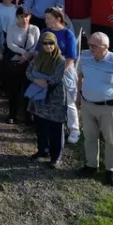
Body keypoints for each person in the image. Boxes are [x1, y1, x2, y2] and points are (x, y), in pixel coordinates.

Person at [76, 31, 113, 186]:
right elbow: (79, 76)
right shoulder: (85, 57)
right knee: (89, 137)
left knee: (110, 140)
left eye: (94, 46)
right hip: (87, 104)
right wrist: (79, 96)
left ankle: (110, 171)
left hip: (108, 107)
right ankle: (91, 165)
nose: (90, 48)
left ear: (105, 47)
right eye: (89, 44)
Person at [27, 32, 68, 167]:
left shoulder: (60, 60)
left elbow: (56, 78)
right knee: (40, 125)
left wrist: (41, 80)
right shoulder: (38, 57)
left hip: (55, 99)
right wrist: (37, 80)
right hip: (39, 96)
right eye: (45, 43)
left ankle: (56, 157)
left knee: (55, 128)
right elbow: (28, 72)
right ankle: (42, 150)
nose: (48, 46)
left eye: (51, 43)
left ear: (55, 44)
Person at [44, 8, 81, 144]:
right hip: (48, 69)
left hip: (65, 70)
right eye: (46, 18)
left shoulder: (68, 34)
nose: (46, 21)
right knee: (50, 100)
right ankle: (53, 128)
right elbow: (39, 51)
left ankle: (74, 129)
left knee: (69, 101)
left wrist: (59, 72)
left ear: (58, 19)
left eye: (49, 18)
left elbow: (71, 58)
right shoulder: (45, 32)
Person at [2, 7, 40, 125]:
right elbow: (10, 44)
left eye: (26, 16)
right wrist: (24, 53)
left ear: (30, 17)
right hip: (15, 62)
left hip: (30, 64)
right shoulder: (11, 28)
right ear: (17, 17)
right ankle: (12, 114)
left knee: (28, 90)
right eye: (21, 16)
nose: (24, 19)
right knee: (14, 90)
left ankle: (28, 116)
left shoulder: (34, 29)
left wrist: (28, 55)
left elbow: (37, 45)